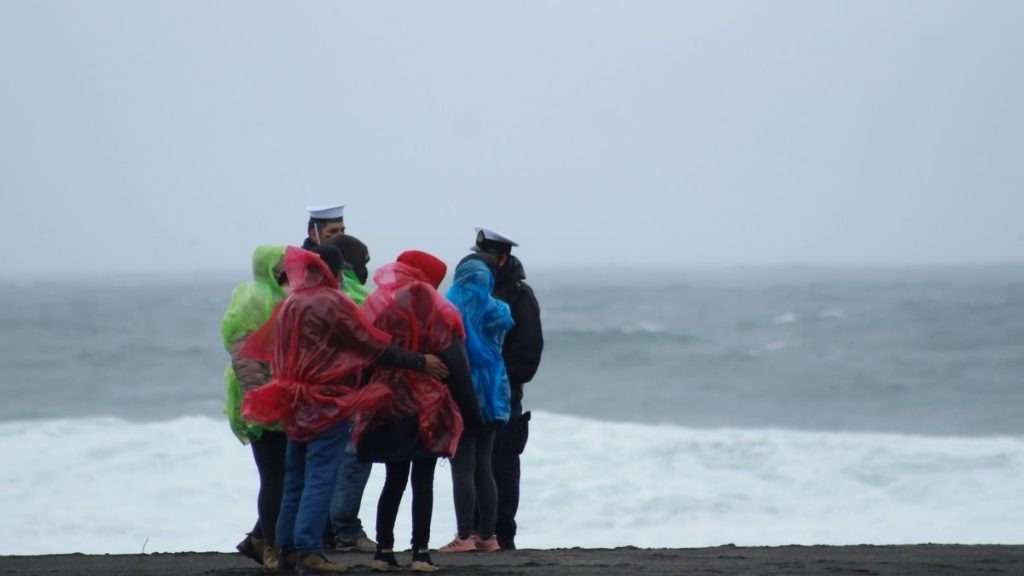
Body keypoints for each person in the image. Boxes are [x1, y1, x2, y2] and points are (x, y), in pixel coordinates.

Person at [239, 245, 448, 574]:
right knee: (321, 475)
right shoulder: (333, 301)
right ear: (333, 272)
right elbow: (371, 344)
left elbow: (273, 349)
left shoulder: (291, 301)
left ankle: (286, 551)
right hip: (326, 402)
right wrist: (420, 361)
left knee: (294, 478)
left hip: (293, 400)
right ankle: (310, 550)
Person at [353, 250, 478, 573]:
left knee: (393, 479)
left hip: (386, 405)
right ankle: (420, 554)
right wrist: (471, 415)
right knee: (423, 480)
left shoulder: (379, 307)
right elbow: (457, 366)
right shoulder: (435, 311)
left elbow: (366, 354)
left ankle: (383, 552)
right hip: (426, 407)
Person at [466, 228, 544, 550]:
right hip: (469, 396)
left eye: (485, 257)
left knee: (502, 466)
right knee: (470, 466)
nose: (478, 262)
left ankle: (502, 534)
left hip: (503, 398)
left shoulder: (520, 296)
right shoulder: (471, 292)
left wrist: (499, 382)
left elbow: (528, 354)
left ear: (502, 258)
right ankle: (470, 532)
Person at [439, 258, 515, 553]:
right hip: (496, 391)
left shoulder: (450, 307)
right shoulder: (500, 310)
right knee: (485, 466)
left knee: (463, 468)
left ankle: (464, 536)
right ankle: (488, 536)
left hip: (466, 392)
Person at [220, 245, 289, 568]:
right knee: (275, 477)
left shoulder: (282, 298)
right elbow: (245, 358)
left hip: (285, 401)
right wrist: (262, 399)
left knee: (286, 476)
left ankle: (259, 539)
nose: (287, 270)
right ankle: (270, 546)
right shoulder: (252, 299)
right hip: (262, 403)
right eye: (282, 265)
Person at [316, 233, 374, 552]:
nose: (367, 269)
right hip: (345, 393)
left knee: (319, 464)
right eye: (364, 262)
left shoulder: (304, 295)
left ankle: (322, 530)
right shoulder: (350, 296)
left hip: (316, 395)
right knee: (353, 458)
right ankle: (346, 528)